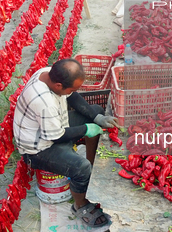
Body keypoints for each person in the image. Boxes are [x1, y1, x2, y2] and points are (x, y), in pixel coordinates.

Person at [13, 58, 119, 228]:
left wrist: (96, 118)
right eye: (72, 88)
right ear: (58, 86)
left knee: (95, 113)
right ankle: (81, 205)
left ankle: (91, 167)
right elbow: (57, 136)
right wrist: (85, 129)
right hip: (39, 148)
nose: (74, 91)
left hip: (53, 126)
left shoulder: (49, 73)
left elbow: (73, 96)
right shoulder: (43, 101)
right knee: (80, 167)